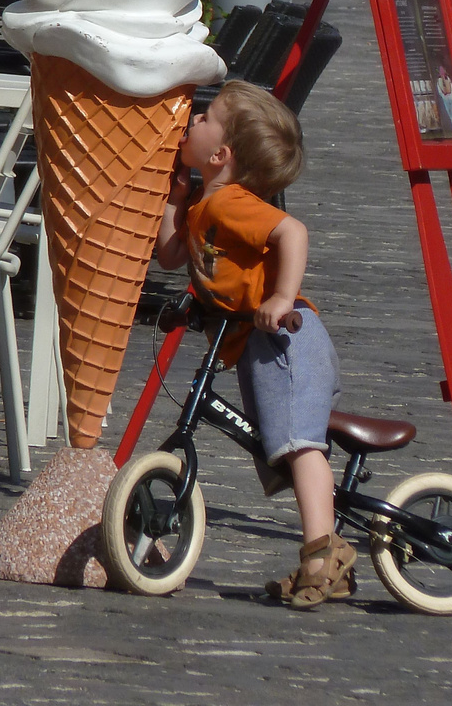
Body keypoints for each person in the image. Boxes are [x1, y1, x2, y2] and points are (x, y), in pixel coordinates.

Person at [156, 80, 356, 610]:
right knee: (282, 446)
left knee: (298, 444)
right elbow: (173, 255)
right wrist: (176, 199)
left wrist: (282, 296)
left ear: (220, 154)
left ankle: (323, 553)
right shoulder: (206, 203)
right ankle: (321, 547)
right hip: (257, 345)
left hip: (287, 340)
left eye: (204, 119)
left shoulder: (232, 204)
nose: (192, 120)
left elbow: (292, 232)